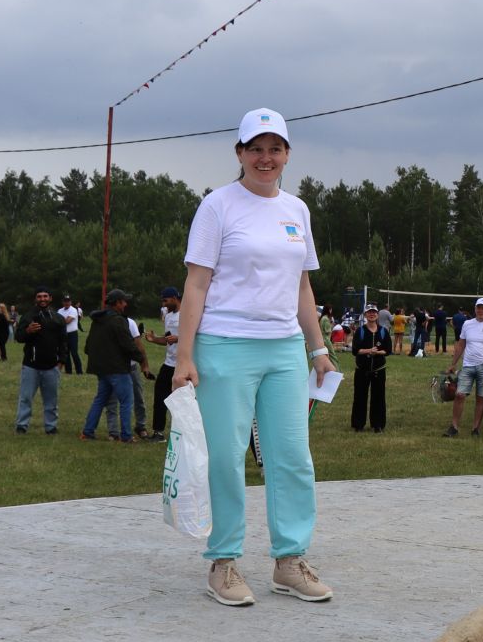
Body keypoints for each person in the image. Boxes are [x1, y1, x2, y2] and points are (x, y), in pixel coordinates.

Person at [173, 106, 337, 608]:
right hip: (225, 346)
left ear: (287, 154)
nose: (266, 158)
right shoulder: (218, 206)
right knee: (225, 458)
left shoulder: (298, 210)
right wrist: (184, 356)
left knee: (292, 458)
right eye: (256, 148)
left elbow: (302, 286)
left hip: (286, 349)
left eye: (275, 148)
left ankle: (289, 561)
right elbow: (196, 285)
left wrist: (318, 349)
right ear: (240, 153)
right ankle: (223, 563)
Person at [81, 289, 145, 443]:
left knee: (100, 399)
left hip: (102, 369)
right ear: (117, 303)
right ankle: (127, 436)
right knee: (126, 401)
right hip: (117, 369)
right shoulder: (118, 320)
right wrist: (140, 357)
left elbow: (88, 346)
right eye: (123, 301)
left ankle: (87, 432)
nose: (125, 304)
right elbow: (127, 344)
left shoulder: (98, 320)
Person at [443, 298, 483, 437]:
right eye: (478, 307)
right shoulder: (467, 324)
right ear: (475, 309)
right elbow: (461, 345)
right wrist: (453, 364)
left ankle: (475, 429)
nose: (480, 310)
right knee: (459, 395)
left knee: (481, 398)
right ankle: (454, 427)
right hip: (468, 365)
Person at [15, 286, 63, 434]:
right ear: (35, 299)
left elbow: (63, 342)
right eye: (39, 296)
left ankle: (51, 426)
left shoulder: (57, 318)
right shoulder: (28, 317)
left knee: (51, 400)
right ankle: (22, 425)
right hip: (31, 365)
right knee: (26, 397)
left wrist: (62, 361)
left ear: (50, 298)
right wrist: (28, 331)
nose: (43, 299)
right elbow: (19, 337)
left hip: (51, 366)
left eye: (45, 296)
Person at [350, 305, 391, 432]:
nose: (371, 314)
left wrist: (377, 353)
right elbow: (355, 350)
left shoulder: (383, 331)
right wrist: (369, 351)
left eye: (374, 312)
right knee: (360, 397)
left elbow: (388, 350)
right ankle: (358, 425)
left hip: (379, 370)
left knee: (378, 397)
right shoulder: (360, 331)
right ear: (365, 315)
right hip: (362, 369)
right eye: (369, 312)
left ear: (377, 315)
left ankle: (377, 425)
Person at [148, 286, 182, 438]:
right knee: (160, 397)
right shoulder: (168, 317)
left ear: (175, 298)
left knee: (182, 402)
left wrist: (179, 338)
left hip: (182, 365)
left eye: (166, 300)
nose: (164, 304)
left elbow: (197, 338)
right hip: (168, 364)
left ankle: (183, 433)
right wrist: (155, 339)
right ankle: (158, 432)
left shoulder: (187, 315)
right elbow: (168, 340)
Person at [59, 295, 83, 373]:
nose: (67, 303)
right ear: (63, 302)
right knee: (66, 353)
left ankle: (79, 371)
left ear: (71, 302)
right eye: (65, 301)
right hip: (63, 334)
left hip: (72, 334)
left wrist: (60, 321)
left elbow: (67, 321)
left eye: (68, 301)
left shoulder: (73, 310)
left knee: (74, 353)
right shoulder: (60, 310)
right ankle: (68, 371)